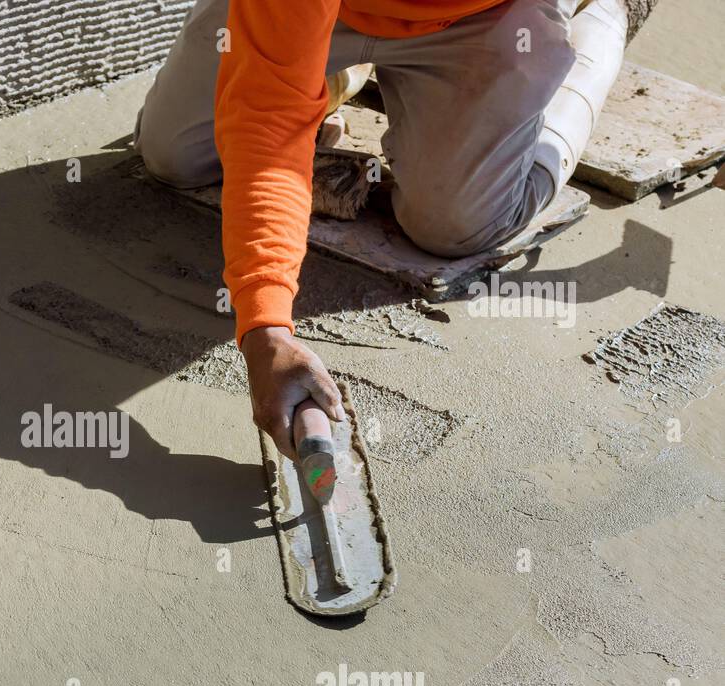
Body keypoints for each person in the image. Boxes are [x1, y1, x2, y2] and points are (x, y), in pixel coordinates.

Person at [134, 0, 629, 460]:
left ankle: (600, 25)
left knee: (456, 224)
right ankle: (327, 71)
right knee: (177, 152)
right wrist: (265, 326)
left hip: (486, 17)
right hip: (332, 10)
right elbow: (265, 120)